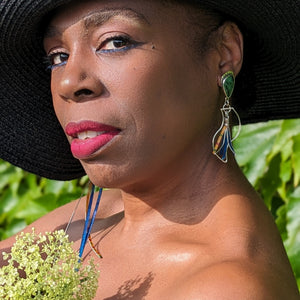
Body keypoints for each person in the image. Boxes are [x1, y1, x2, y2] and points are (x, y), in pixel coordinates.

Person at [0, 0, 299, 298]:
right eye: (58, 56)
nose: (67, 82)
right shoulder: (105, 212)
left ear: (224, 55)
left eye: (115, 42)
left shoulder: (225, 289)